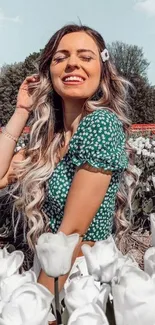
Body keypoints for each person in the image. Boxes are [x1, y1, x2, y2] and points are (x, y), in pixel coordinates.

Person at [0, 24, 135, 294]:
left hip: (81, 281)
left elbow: (72, 232)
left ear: (102, 70)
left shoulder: (101, 125)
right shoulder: (53, 139)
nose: (73, 63)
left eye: (85, 57)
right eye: (61, 58)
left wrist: (39, 305)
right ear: (49, 71)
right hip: (52, 269)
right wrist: (21, 111)